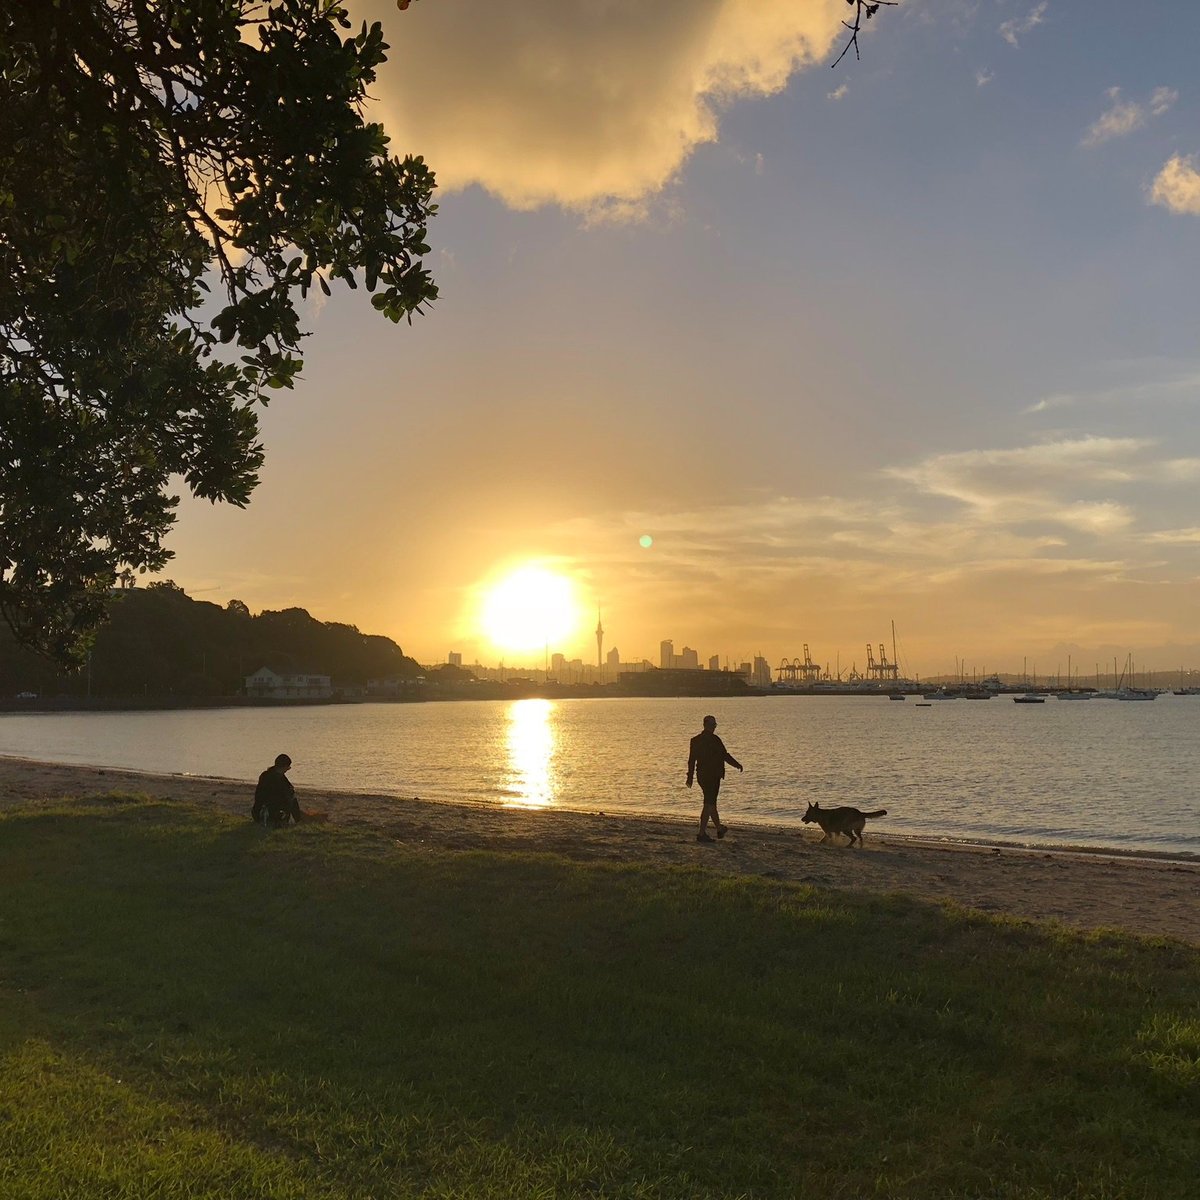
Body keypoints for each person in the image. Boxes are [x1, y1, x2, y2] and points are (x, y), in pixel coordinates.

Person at [686, 714, 743, 843]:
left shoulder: (696, 740)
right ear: (707, 725)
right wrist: (737, 764)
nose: (714, 727)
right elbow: (725, 756)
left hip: (702, 776)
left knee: (711, 803)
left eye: (715, 725)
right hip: (712, 776)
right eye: (713, 725)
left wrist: (690, 777)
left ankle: (719, 828)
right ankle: (701, 834)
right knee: (708, 804)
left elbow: (691, 761)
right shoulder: (714, 740)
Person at [251, 753, 302, 827]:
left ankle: (297, 819)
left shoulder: (275, 775)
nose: (288, 770)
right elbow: (267, 796)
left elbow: (290, 789)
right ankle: (297, 820)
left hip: (267, 808)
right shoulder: (271, 777)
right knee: (290, 798)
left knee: (290, 797)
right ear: (283, 766)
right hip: (267, 810)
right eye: (288, 767)